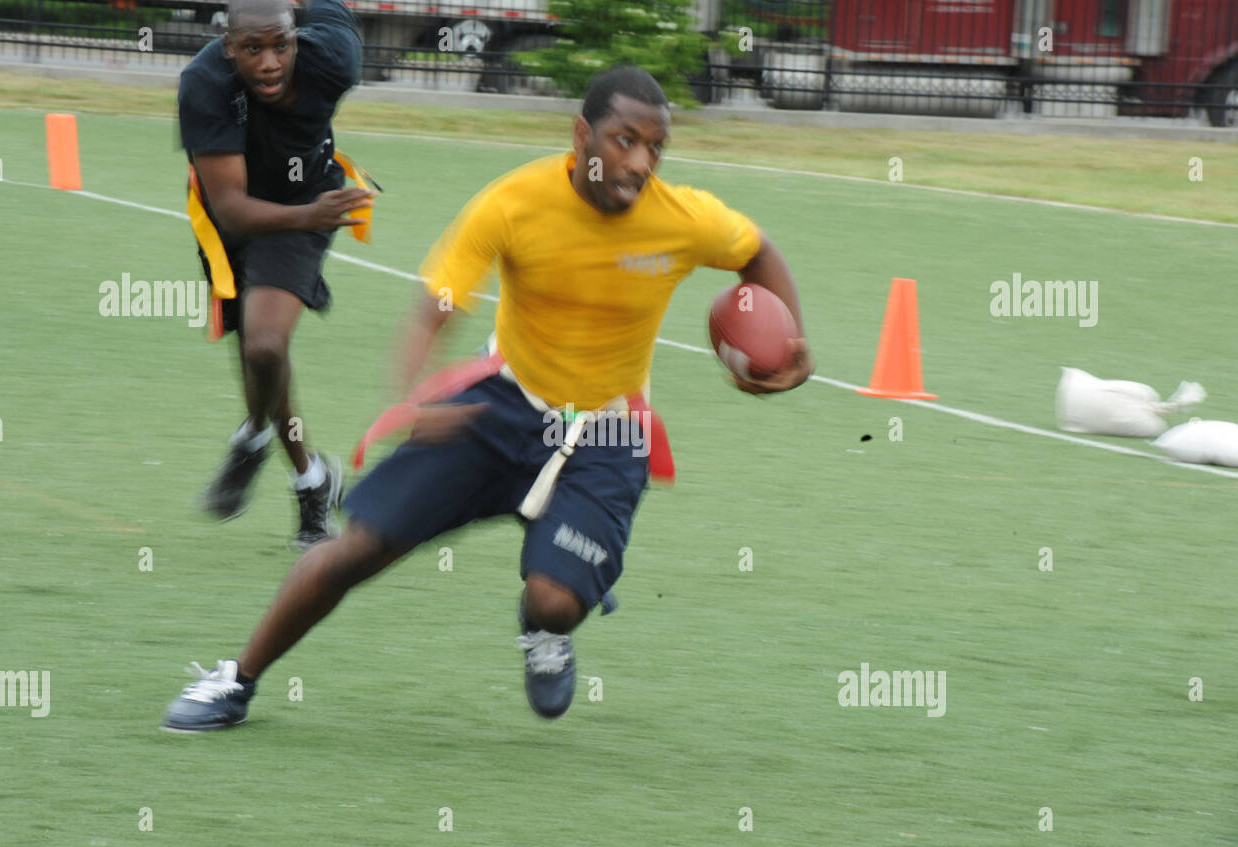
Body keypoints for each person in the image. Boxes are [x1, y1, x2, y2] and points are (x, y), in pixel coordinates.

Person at [162, 65, 810, 732]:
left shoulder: (684, 220)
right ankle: (235, 680)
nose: (641, 162)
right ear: (582, 135)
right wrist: (415, 396)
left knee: (556, 599)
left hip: (609, 430)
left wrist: (793, 344)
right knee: (358, 547)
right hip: (500, 405)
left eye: (655, 148)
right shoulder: (514, 202)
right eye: (624, 140)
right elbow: (434, 307)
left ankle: (543, 627)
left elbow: (757, 251)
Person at [178, 0, 373, 548]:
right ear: (228, 45)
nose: (269, 63)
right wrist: (311, 215)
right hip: (233, 216)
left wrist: (312, 214)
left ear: (297, 35)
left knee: (265, 345)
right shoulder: (205, 84)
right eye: (252, 49)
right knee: (256, 354)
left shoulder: (334, 56)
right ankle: (312, 482)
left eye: (281, 46)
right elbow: (234, 206)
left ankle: (253, 436)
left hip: (308, 199)